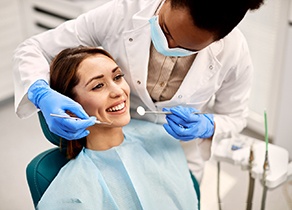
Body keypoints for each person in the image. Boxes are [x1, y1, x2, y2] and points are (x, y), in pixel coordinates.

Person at [13, 0, 265, 181]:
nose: (169, 45)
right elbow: (33, 49)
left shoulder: (234, 53)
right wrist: (40, 93)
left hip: (177, 158)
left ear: (217, 41)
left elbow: (235, 116)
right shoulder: (122, 13)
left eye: (187, 48)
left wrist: (209, 125)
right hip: (114, 146)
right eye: (166, 30)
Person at [36, 46, 198, 209]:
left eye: (118, 77)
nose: (118, 91)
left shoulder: (161, 138)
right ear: (69, 106)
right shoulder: (70, 195)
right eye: (98, 86)